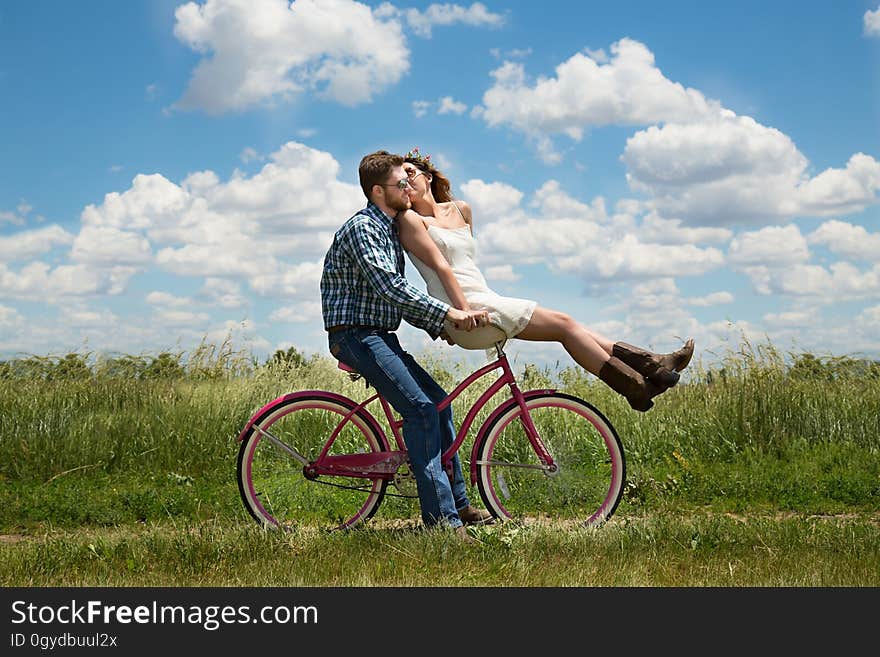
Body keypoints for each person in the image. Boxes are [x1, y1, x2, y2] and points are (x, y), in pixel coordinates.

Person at [397, 147, 694, 413]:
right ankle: (640, 380)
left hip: (483, 298)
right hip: (464, 309)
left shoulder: (462, 210)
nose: (406, 182)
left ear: (427, 176)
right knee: (565, 325)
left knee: (569, 326)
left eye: (410, 173)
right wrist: (457, 314)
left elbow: (468, 266)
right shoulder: (411, 221)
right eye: (399, 180)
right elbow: (442, 269)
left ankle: (649, 371)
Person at [319, 150, 494, 540]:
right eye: (402, 183)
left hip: (379, 333)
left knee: (440, 403)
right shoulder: (364, 228)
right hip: (355, 335)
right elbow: (391, 288)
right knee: (421, 411)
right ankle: (442, 523)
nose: (409, 189)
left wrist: (439, 326)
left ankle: (459, 505)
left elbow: (394, 299)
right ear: (379, 190)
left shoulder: (388, 229)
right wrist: (449, 315)